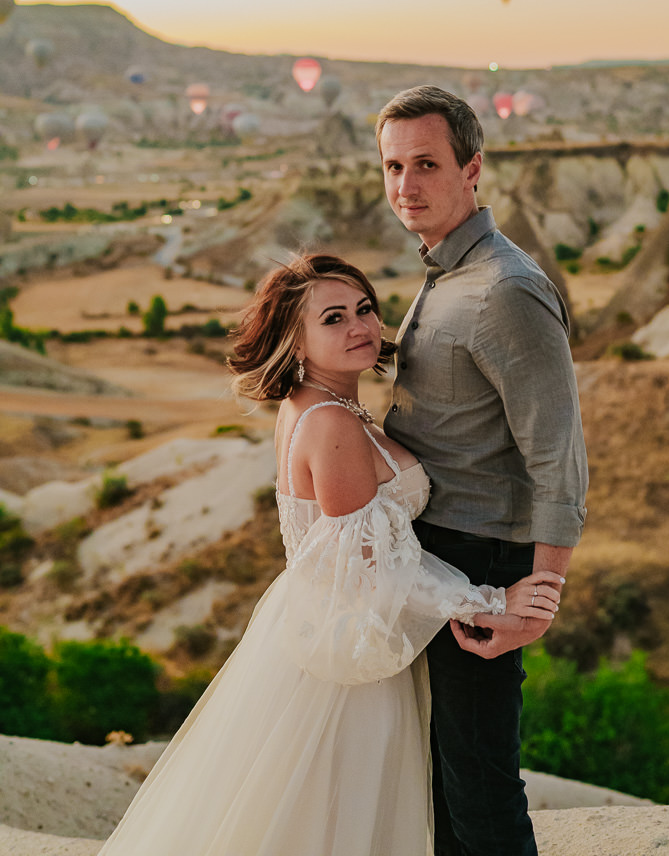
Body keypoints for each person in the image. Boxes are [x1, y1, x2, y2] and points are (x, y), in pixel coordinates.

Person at [95, 253, 564, 856]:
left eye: (364, 308)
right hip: (348, 657)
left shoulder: (326, 406)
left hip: (332, 627)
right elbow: (374, 567)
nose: (359, 327)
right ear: (296, 340)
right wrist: (490, 600)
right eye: (334, 318)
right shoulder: (328, 422)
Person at [377, 86, 588, 856]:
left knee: (479, 780)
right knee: (441, 777)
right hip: (438, 555)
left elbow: (557, 456)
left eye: (426, 164)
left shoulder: (506, 291)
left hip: (481, 560)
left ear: (473, 168)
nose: (406, 185)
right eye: (394, 166)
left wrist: (539, 598)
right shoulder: (446, 276)